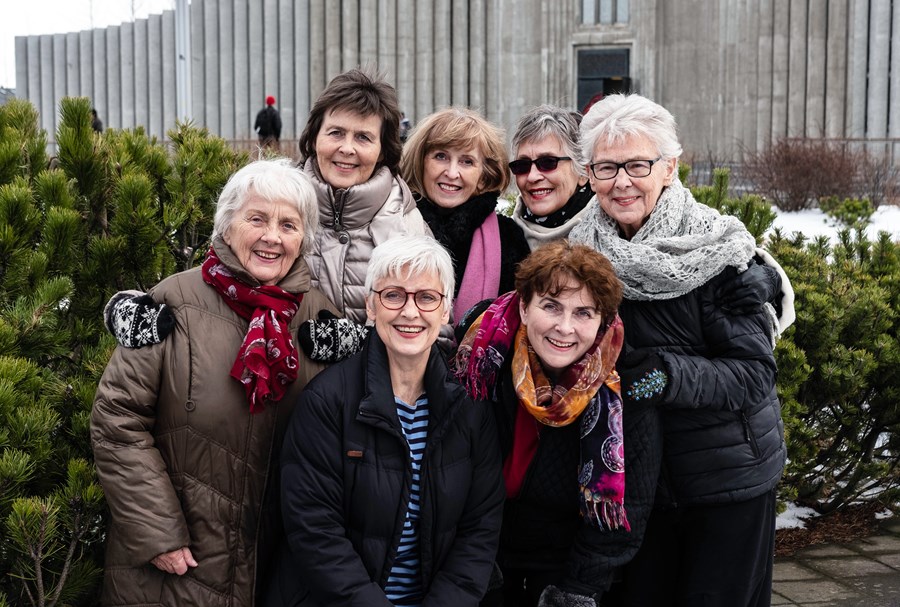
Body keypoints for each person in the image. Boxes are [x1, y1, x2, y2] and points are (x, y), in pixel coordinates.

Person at [569, 93, 786, 606]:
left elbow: (754, 374)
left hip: (725, 480)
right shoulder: (581, 250)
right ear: (589, 174)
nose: (622, 181)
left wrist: (662, 375)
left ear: (669, 167)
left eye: (638, 165)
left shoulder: (718, 251)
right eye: (606, 167)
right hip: (642, 484)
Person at [91, 158, 337, 607]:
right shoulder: (171, 302)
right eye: (256, 219)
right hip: (174, 567)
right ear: (226, 227)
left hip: (275, 568)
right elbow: (117, 420)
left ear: (303, 239)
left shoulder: (318, 320)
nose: (272, 236)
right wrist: (157, 531)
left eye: (288, 224)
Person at [265, 234, 505, 606]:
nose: (410, 312)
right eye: (393, 295)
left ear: (445, 311)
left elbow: (480, 531)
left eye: (427, 297)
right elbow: (314, 530)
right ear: (371, 307)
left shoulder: (469, 408)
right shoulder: (327, 402)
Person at [453, 240, 661, 607]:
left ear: (603, 322)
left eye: (584, 313)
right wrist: (474, 565)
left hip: (567, 563)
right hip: (484, 552)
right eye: (551, 306)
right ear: (524, 306)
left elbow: (632, 508)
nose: (565, 328)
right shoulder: (484, 361)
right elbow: (449, 476)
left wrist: (577, 590)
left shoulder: (626, 386)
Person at [298, 68, 429, 323]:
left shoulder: (407, 222)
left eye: (363, 137)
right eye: (336, 133)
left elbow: (433, 326)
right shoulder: (280, 206)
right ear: (314, 138)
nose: (347, 148)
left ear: (382, 150)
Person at [400, 107, 530, 324]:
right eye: (441, 156)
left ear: (484, 176)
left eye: (467, 161)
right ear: (421, 162)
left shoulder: (509, 238)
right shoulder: (394, 224)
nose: (452, 173)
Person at [508, 105, 594, 250]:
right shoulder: (501, 240)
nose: (532, 177)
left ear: (583, 173)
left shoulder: (615, 236)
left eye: (548, 162)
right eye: (522, 165)